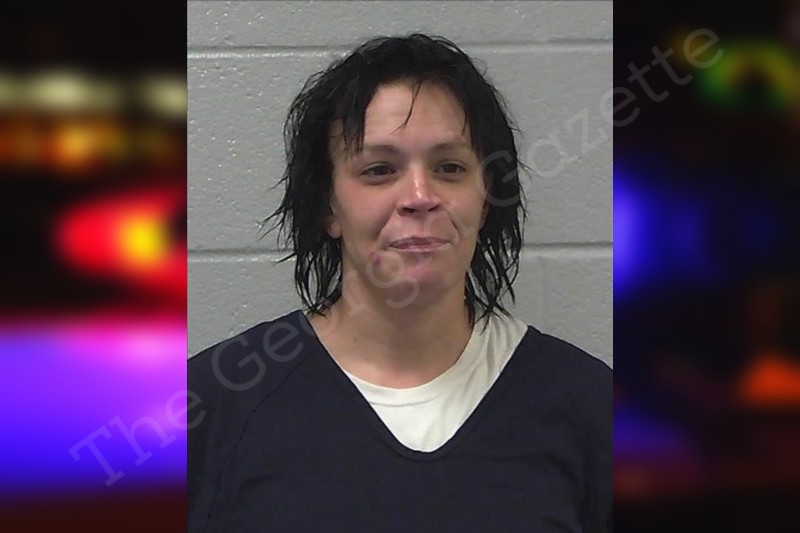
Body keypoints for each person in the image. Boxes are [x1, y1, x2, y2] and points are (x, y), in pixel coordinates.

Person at [188, 33, 611, 532]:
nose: (419, 196)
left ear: (485, 198)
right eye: (379, 170)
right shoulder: (213, 404)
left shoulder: (591, 407)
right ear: (328, 206)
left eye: (450, 167)